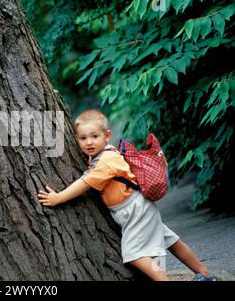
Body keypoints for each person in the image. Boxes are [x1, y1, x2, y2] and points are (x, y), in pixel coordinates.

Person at [37, 109, 215, 281]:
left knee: (135, 255)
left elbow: (85, 183)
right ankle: (205, 274)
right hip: (135, 209)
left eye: (94, 136)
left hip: (134, 210)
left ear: (107, 136)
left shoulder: (106, 160)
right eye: (83, 138)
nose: (89, 142)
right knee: (171, 241)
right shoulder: (100, 156)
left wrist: (58, 198)